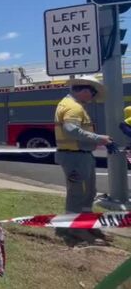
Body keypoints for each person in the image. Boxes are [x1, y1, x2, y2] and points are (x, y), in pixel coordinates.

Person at [54, 75, 112, 245]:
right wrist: (99, 138)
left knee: (88, 193)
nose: (93, 98)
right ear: (85, 90)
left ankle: (85, 224)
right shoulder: (73, 108)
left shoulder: (73, 105)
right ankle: (76, 229)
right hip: (75, 157)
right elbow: (72, 130)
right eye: (93, 93)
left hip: (79, 156)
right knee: (78, 193)